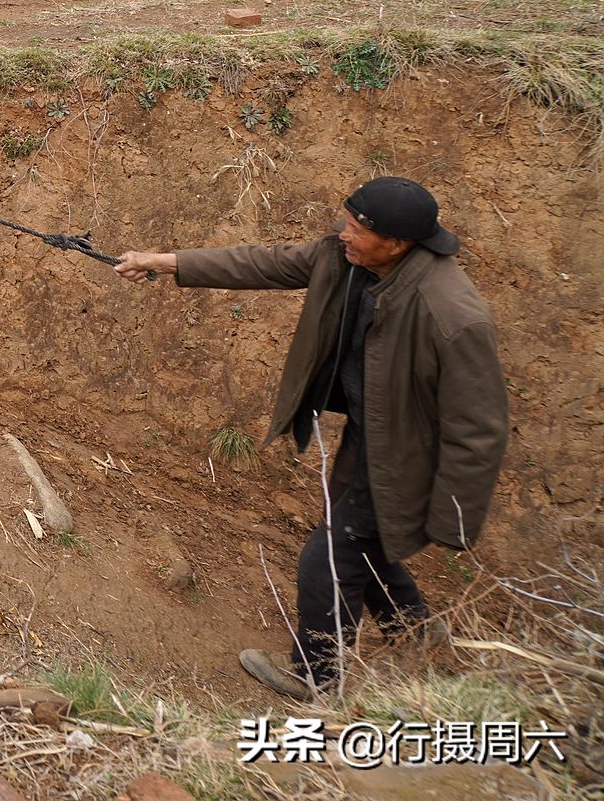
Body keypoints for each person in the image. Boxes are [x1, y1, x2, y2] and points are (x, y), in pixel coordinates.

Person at [114, 177, 508, 700]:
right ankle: (414, 629)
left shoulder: (452, 314)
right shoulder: (347, 258)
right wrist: (163, 262)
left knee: (330, 552)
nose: (342, 232)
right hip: (372, 436)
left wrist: (454, 518)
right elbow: (262, 263)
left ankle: (315, 675)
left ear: (397, 243)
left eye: (356, 227)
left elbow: (478, 428)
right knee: (359, 537)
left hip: (408, 456)